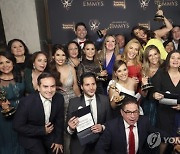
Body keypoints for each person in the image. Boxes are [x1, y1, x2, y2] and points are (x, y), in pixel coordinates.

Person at [13, 72, 64, 154]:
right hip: (30, 135)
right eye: (45, 87)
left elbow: (59, 121)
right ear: (38, 87)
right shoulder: (26, 102)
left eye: (52, 86)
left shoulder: (59, 98)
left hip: (49, 133)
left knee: (57, 151)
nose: (49, 90)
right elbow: (17, 126)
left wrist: (58, 140)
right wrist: (42, 130)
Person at [66, 72, 112, 154]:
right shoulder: (73, 103)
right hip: (80, 146)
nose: (91, 88)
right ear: (81, 87)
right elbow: (67, 129)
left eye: (93, 84)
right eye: (87, 85)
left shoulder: (105, 100)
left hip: (99, 143)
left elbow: (110, 123)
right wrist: (71, 128)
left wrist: (102, 127)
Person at [50, 44, 80, 154]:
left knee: (72, 128)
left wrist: (81, 100)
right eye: (57, 55)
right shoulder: (49, 69)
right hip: (57, 104)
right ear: (53, 56)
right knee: (60, 129)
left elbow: (75, 86)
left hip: (72, 102)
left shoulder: (71, 68)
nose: (60, 58)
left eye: (63, 55)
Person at [153, 51, 180, 153]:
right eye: (173, 57)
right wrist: (154, 94)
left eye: (178, 58)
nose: (175, 60)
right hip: (163, 113)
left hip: (179, 115)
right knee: (164, 140)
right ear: (168, 59)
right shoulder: (161, 73)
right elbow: (152, 90)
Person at [0, 52, 25, 154]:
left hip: (23, 113)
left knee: (23, 140)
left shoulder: (21, 75)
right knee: (9, 141)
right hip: (5, 116)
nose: (5, 65)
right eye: (1, 63)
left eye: (7, 62)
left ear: (13, 63)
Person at [141, 45, 163, 126]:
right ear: (147, 58)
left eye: (155, 54)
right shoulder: (144, 70)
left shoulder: (165, 67)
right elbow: (143, 95)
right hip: (149, 105)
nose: (153, 57)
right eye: (150, 55)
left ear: (159, 54)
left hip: (162, 103)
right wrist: (144, 84)